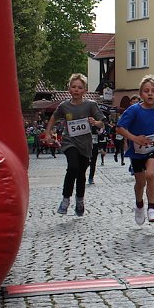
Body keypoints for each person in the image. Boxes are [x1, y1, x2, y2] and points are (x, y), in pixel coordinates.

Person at [116, 75, 154, 225]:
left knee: (150, 173)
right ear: (141, 93)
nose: (150, 94)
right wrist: (134, 138)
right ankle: (139, 205)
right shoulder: (133, 110)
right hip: (137, 149)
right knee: (140, 182)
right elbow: (119, 128)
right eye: (146, 91)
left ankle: (152, 208)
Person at [44, 73, 105, 216]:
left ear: (85, 90)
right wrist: (48, 133)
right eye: (73, 87)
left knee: (81, 174)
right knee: (73, 167)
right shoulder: (64, 106)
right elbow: (54, 117)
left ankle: (80, 200)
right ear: (69, 89)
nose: (76, 90)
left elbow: (102, 121)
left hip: (85, 144)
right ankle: (65, 199)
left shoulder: (90, 105)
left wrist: (95, 123)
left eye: (80, 87)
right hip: (69, 141)